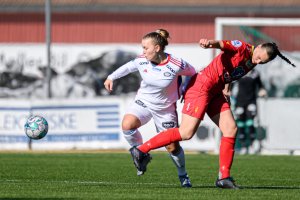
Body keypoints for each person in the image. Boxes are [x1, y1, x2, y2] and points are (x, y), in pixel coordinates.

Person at [129, 39, 296, 189]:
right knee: (186, 133)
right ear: (258, 47)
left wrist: (227, 90)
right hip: (201, 87)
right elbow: (224, 45)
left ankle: (224, 178)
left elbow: (229, 74)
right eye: (259, 57)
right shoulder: (243, 48)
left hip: (215, 92)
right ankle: (141, 150)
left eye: (262, 61)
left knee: (231, 129)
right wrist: (210, 43)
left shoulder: (252, 62)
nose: (258, 61)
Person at [104, 29, 197, 187]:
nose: (143, 51)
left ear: (157, 48)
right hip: (144, 102)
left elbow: (193, 73)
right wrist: (111, 77)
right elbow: (127, 68)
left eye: (146, 48)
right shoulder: (142, 60)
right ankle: (141, 154)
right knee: (127, 125)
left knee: (172, 147)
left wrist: (185, 89)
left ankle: (183, 175)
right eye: (142, 48)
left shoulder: (176, 64)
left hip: (165, 108)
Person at [232, 69, 267, 154]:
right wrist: (228, 92)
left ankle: (251, 144)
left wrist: (262, 91)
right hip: (239, 102)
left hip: (251, 101)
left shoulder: (255, 73)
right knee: (240, 123)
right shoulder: (240, 71)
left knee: (250, 122)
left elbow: (260, 85)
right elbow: (231, 83)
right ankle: (243, 145)